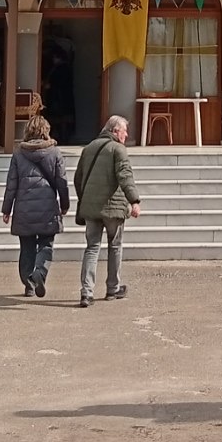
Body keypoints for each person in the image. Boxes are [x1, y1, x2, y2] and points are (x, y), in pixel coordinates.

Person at [74, 114, 141, 308]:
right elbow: (125, 176)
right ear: (114, 131)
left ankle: (86, 292)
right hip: (113, 208)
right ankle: (113, 288)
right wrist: (134, 200)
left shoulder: (88, 149)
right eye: (124, 130)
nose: (126, 135)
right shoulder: (118, 150)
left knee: (92, 248)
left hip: (91, 208)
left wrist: (85, 199)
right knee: (115, 246)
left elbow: (78, 179)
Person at [2, 114, 71, 296]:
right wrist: (64, 204)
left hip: (24, 208)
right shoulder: (55, 152)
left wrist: (6, 209)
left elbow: (12, 184)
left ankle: (29, 285)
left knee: (27, 247)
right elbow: (61, 182)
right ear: (46, 131)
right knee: (46, 245)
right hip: (47, 207)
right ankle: (39, 272)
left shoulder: (18, 153)